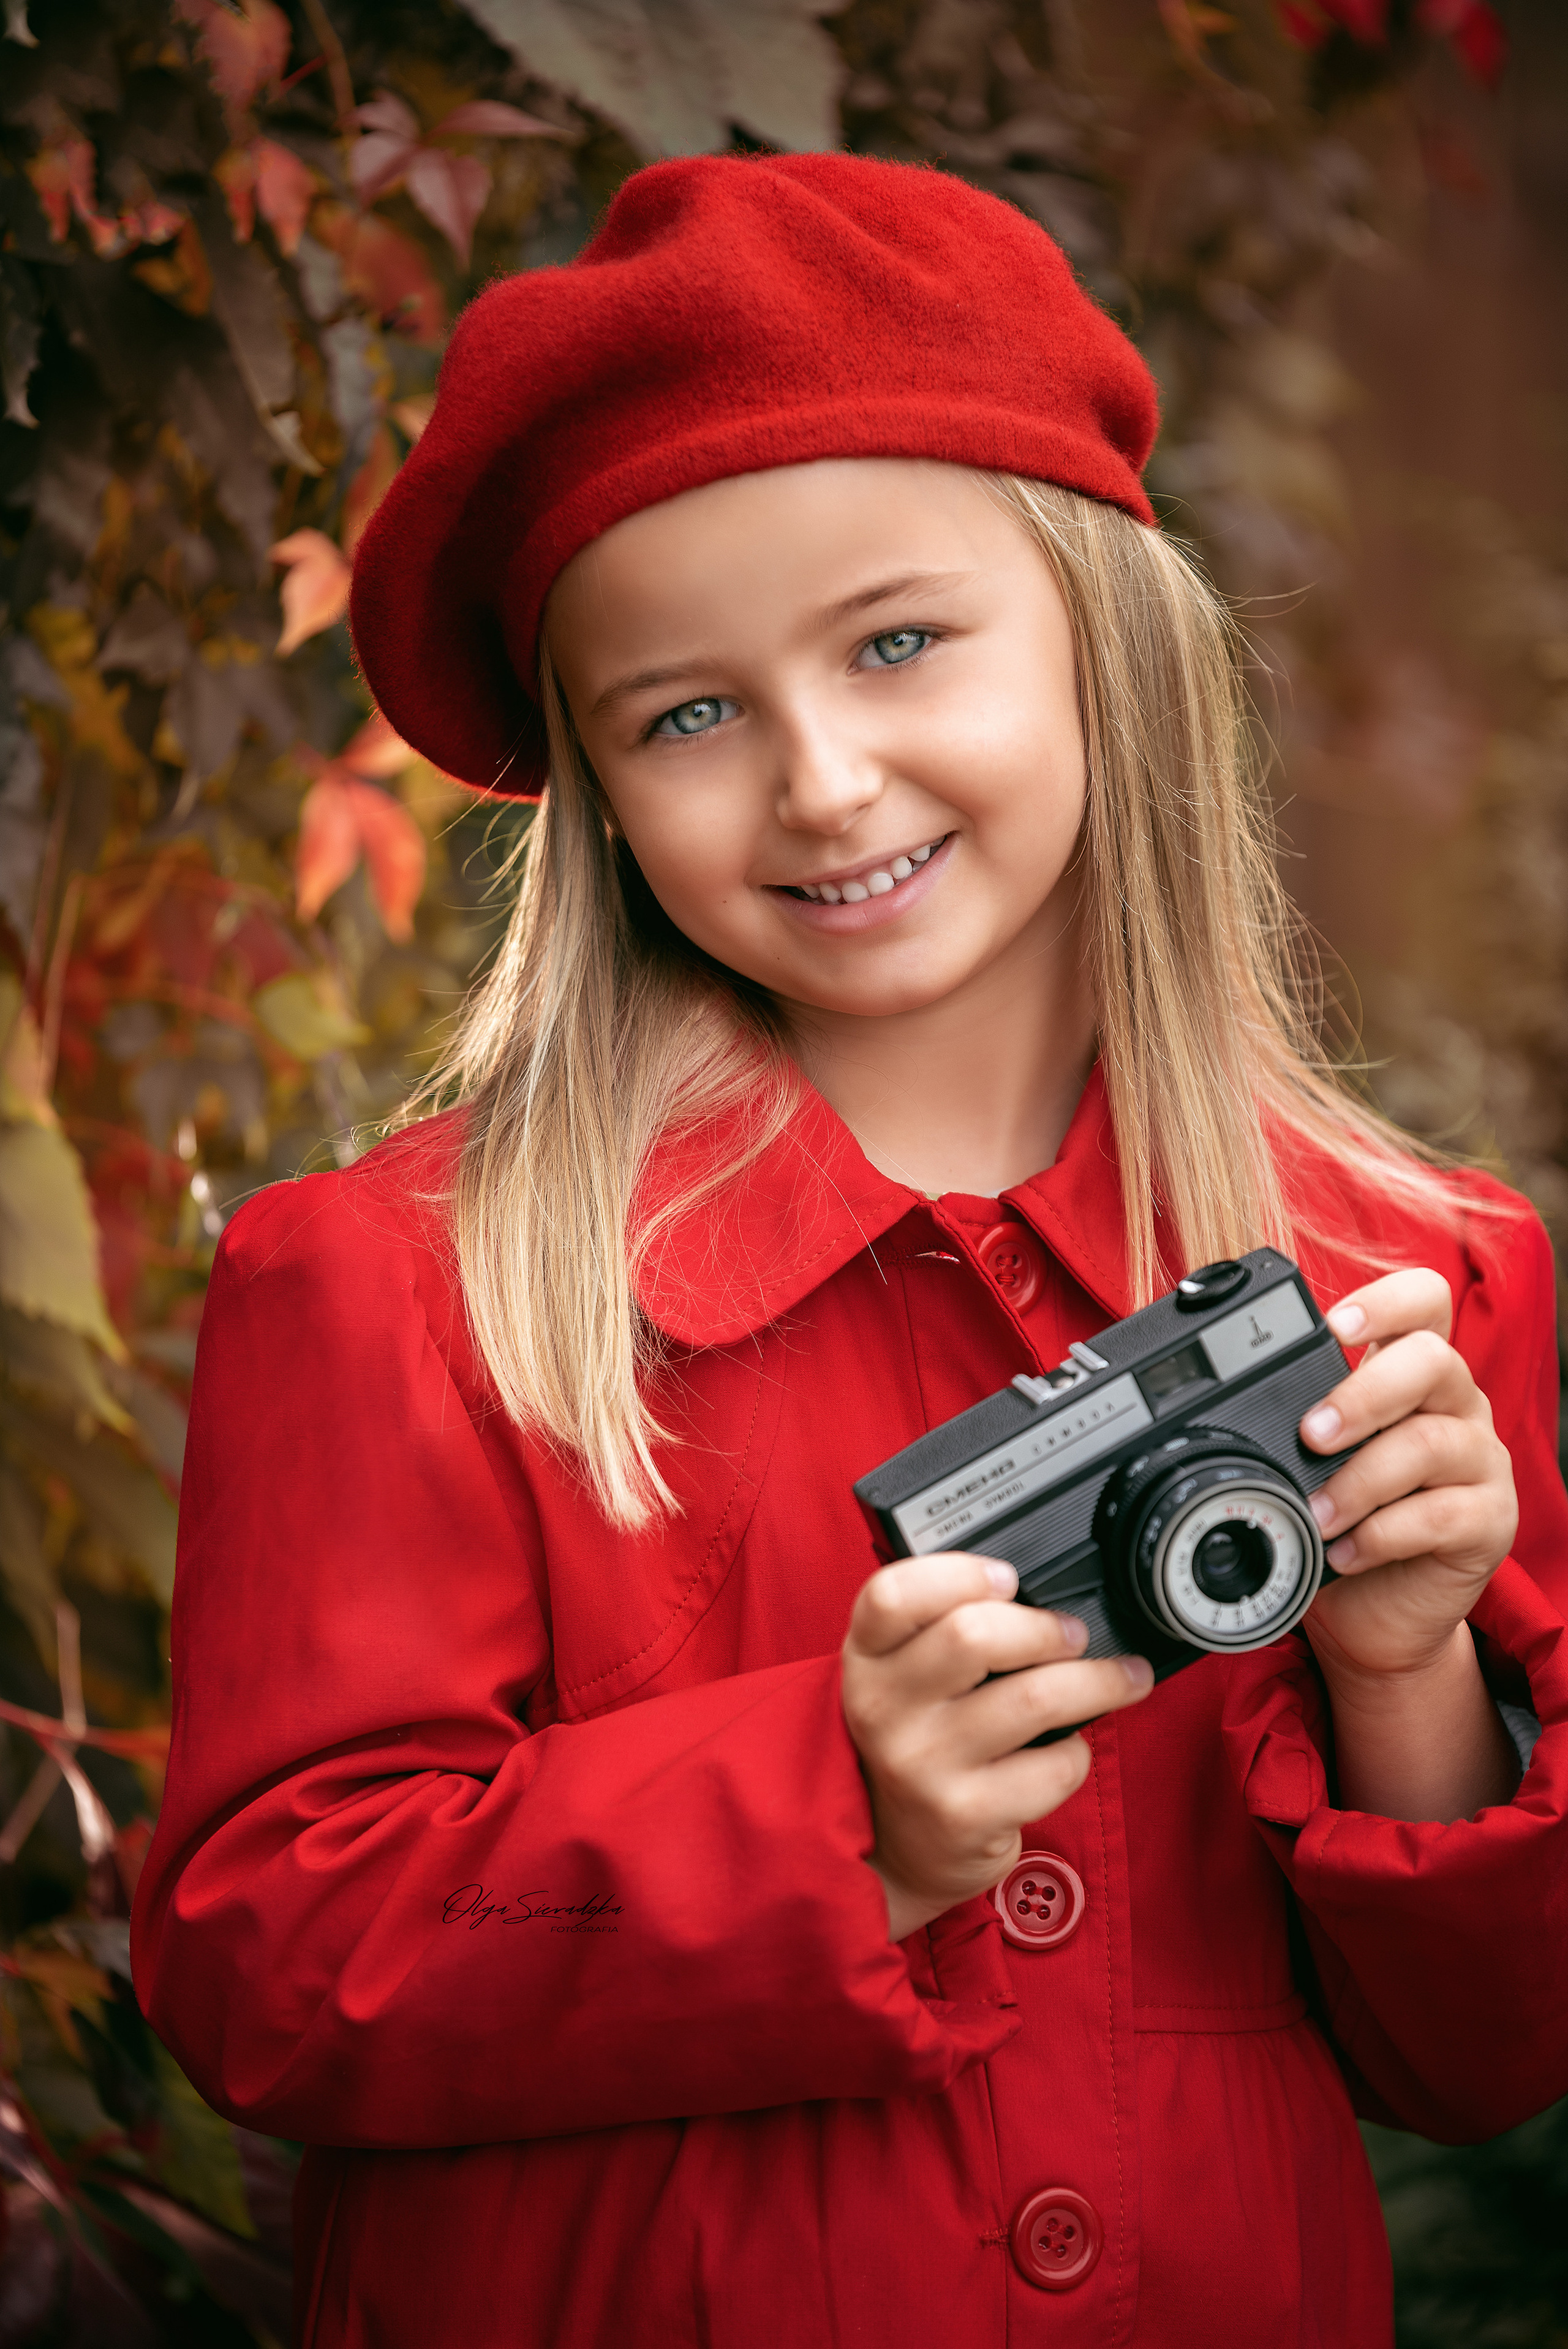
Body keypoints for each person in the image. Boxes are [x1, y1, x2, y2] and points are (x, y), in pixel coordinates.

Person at [130, 154, 1568, 2348]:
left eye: (897, 641)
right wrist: (833, 1816)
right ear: (600, 793)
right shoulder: (407, 1286)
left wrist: (1404, 1672)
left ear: (1102, 637)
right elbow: (265, 1974)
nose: (819, 780)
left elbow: (1481, 2060)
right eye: (686, 711)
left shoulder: (1402, 1279)